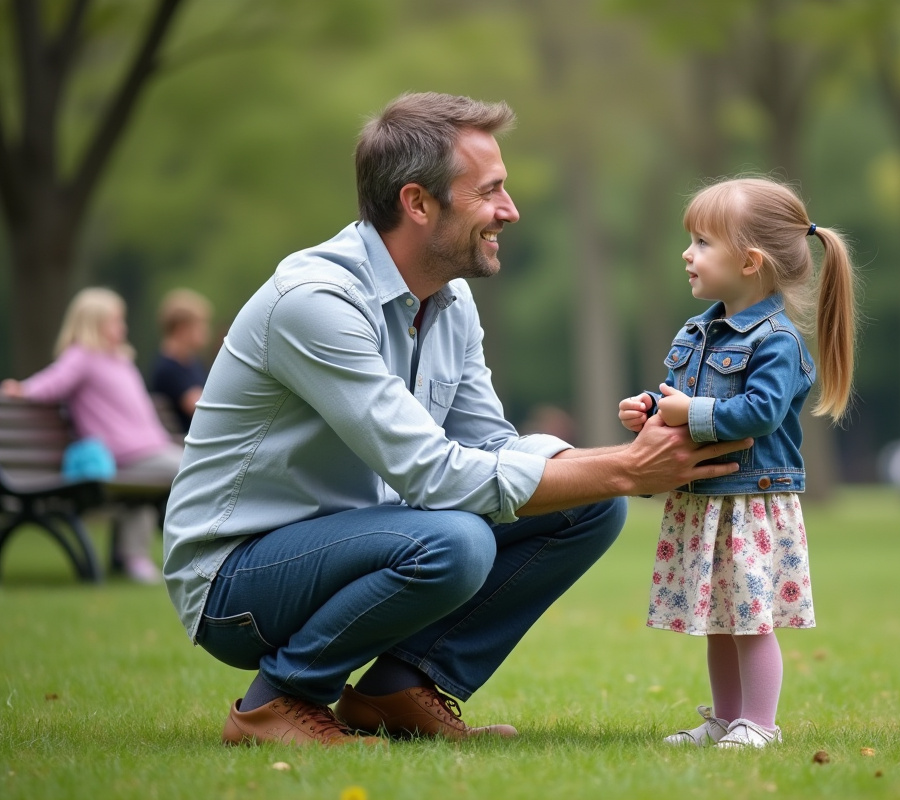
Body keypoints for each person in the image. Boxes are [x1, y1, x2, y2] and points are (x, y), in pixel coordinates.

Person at [162, 92, 751, 748]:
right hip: (236, 580)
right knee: (456, 542)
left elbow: (490, 446)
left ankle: (401, 687)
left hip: (361, 542)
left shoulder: (449, 300)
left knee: (590, 506)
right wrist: (623, 467)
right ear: (418, 203)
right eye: (491, 191)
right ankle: (276, 701)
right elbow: (437, 478)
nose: (511, 210)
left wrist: (625, 466)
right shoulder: (316, 304)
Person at [618, 177, 858, 748]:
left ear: (749, 261)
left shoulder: (776, 342)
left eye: (702, 242)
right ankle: (725, 719)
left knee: (750, 619)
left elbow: (760, 412)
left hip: (752, 501)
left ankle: (761, 724)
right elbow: (681, 393)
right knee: (717, 620)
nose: (687, 254)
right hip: (706, 499)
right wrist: (651, 407)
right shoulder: (696, 331)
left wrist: (686, 413)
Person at [1, 287, 182, 584]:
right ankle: (137, 556)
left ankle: (133, 555)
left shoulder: (120, 361)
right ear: (92, 323)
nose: (122, 327)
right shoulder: (82, 356)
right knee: (187, 469)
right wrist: (24, 390)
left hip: (146, 450)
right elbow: (53, 382)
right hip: (123, 452)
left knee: (165, 479)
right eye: (114, 321)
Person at [150, 289, 212, 433]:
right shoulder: (168, 369)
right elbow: (202, 409)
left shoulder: (192, 362)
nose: (206, 330)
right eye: (200, 325)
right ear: (182, 329)